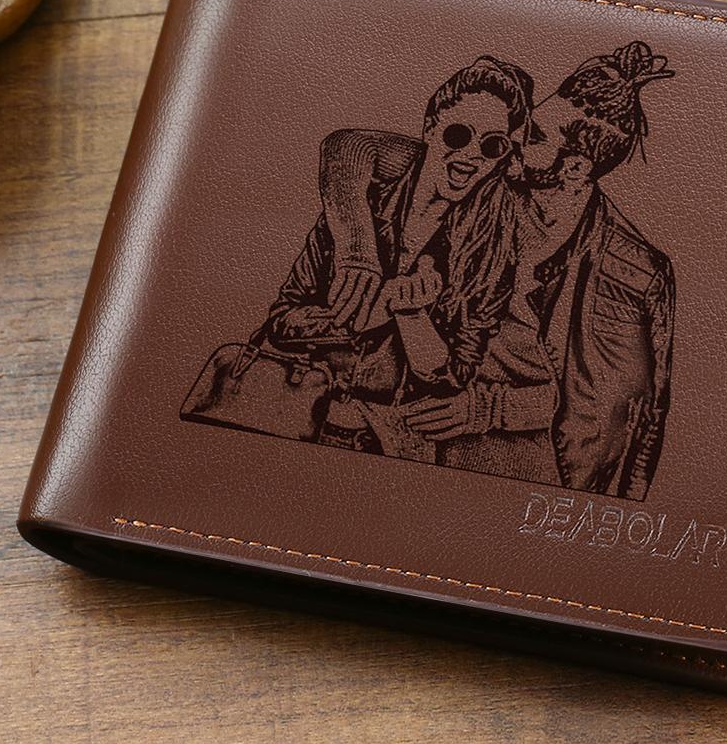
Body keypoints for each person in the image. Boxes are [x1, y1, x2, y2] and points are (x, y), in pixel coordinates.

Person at [403, 41, 676, 500]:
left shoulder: (631, 270)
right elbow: (360, 150)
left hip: (537, 481)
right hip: (425, 446)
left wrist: (488, 410)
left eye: (534, 137)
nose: (514, 140)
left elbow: (612, 413)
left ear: (574, 169)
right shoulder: (486, 191)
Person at [264, 56, 533, 457]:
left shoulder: (490, 249)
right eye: (459, 135)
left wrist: (411, 316)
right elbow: (282, 323)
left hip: (387, 446)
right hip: (296, 421)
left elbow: (452, 377)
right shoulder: (363, 209)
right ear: (430, 128)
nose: (472, 155)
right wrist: (376, 307)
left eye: (492, 145)